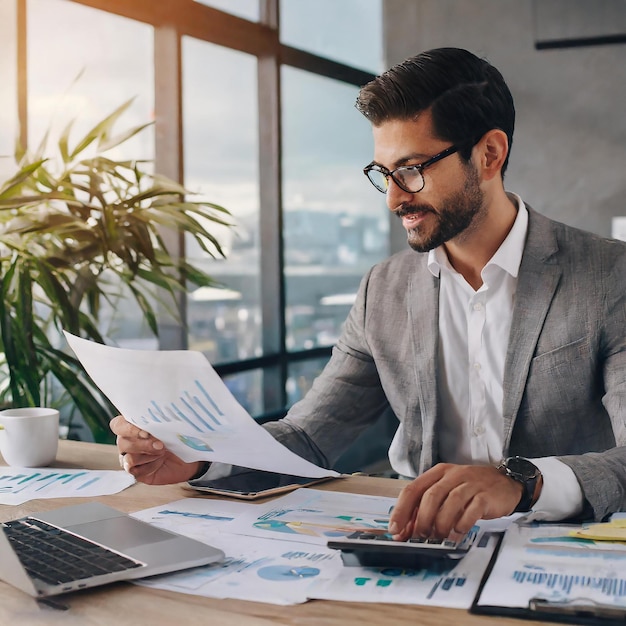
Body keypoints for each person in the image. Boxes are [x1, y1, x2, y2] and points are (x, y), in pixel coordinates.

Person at [112, 47, 626, 542]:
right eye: (385, 175)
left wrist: (520, 481)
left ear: (489, 153)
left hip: (567, 545)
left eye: (412, 170)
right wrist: (201, 458)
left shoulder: (608, 276)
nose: (396, 197)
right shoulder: (384, 290)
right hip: (422, 545)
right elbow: (310, 438)